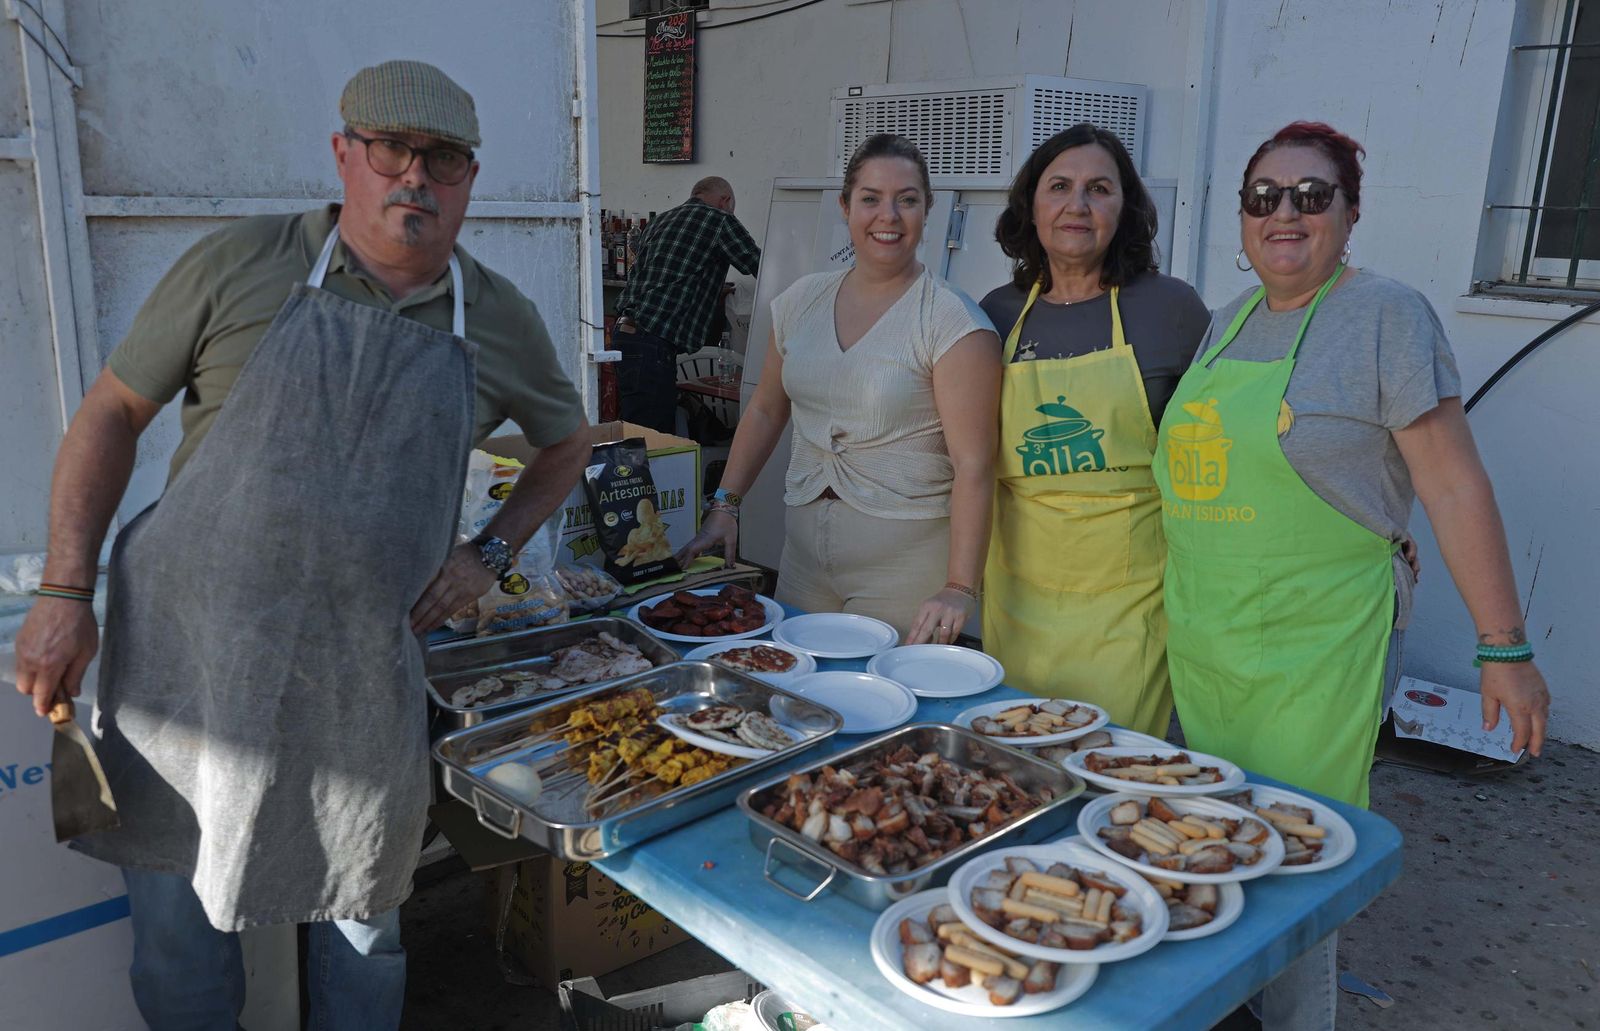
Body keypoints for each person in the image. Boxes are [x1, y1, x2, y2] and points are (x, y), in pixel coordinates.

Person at [11, 61, 590, 1029]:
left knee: (363, 951)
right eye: (390, 150)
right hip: (185, 680)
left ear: (468, 180)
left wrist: (489, 552)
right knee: (180, 954)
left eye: (440, 159)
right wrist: (64, 589)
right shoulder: (241, 264)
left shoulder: (493, 317)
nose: (415, 176)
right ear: (344, 156)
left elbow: (567, 442)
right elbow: (112, 409)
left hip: (359, 694)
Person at [1153, 121, 1551, 1029]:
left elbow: (1451, 480)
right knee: (1215, 832)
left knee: (1297, 861)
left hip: (1316, 645)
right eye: (1264, 196)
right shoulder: (1229, 320)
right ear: (1243, 219)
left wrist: (1505, 645)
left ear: (1351, 213)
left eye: (1311, 194)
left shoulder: (1386, 314)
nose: (1284, 213)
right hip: (1212, 639)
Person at [676, 134, 1000, 643]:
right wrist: (724, 506)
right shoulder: (801, 300)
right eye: (871, 198)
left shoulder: (952, 321)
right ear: (846, 206)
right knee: (799, 698)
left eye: (907, 199)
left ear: (927, 209)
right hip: (802, 559)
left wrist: (961, 584)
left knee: (887, 710)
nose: (888, 215)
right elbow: (764, 409)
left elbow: (976, 465)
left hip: (904, 569)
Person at [979, 124, 1210, 736]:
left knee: (1113, 761)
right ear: (1032, 206)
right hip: (1017, 588)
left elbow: (1221, 441)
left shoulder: (1173, 310)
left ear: (1124, 208)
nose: (1076, 205)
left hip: (1130, 596)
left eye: (1098, 189)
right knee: (1013, 756)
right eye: (1059, 186)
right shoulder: (994, 315)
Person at [615, 177, 762, 432]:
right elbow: (760, 265)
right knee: (653, 437)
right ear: (725, 200)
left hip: (626, 335)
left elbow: (648, 273)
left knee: (635, 430)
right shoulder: (719, 220)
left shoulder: (661, 220)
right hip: (654, 340)